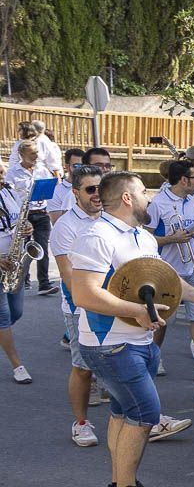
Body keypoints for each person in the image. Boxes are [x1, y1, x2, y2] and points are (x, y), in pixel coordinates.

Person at [69, 172, 194, 487]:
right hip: (109, 345)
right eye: (143, 191)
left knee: (123, 412)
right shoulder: (97, 236)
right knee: (145, 413)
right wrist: (137, 311)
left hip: (139, 342)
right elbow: (84, 293)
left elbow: (166, 278)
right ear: (127, 198)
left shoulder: (142, 236)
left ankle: (123, 483)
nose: (149, 197)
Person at [48, 164, 103, 445]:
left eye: (100, 188)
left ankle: (142, 419)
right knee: (83, 368)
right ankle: (81, 423)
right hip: (80, 308)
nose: (97, 194)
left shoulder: (110, 218)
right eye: (90, 189)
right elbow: (69, 278)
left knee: (124, 364)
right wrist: (95, 302)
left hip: (112, 304)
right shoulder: (65, 227)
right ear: (75, 193)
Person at [147, 161, 194, 379]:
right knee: (163, 320)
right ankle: (154, 359)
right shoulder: (158, 203)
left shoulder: (193, 202)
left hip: (193, 268)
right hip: (168, 270)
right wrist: (171, 239)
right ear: (184, 180)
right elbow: (145, 238)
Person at [9, 139, 57, 296]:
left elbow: (51, 189)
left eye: (36, 152)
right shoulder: (13, 172)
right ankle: (23, 280)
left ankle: (44, 284)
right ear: (22, 154)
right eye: (32, 153)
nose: (36, 156)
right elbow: (10, 195)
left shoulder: (42, 169)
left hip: (41, 213)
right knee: (23, 249)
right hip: (24, 215)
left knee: (42, 249)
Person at [0, 159, 33, 383]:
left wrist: (28, 227)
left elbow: (19, 220)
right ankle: (17, 365)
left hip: (14, 262)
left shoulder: (9, 193)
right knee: (3, 317)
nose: (2, 177)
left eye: (2, 172)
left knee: (16, 312)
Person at [48, 148, 86, 222]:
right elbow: (57, 222)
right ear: (67, 167)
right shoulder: (56, 192)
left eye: (84, 165)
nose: (81, 169)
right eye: (77, 166)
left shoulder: (92, 188)